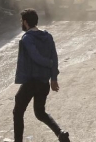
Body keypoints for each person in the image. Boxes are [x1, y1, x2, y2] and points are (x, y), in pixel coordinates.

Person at [13, 9, 70, 142]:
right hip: (43, 82)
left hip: (31, 82)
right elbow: (54, 57)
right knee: (40, 112)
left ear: (26, 22)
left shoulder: (27, 38)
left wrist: (48, 64)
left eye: (22, 21)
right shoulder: (47, 36)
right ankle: (60, 133)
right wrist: (53, 77)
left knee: (18, 111)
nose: (22, 23)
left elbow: (36, 57)